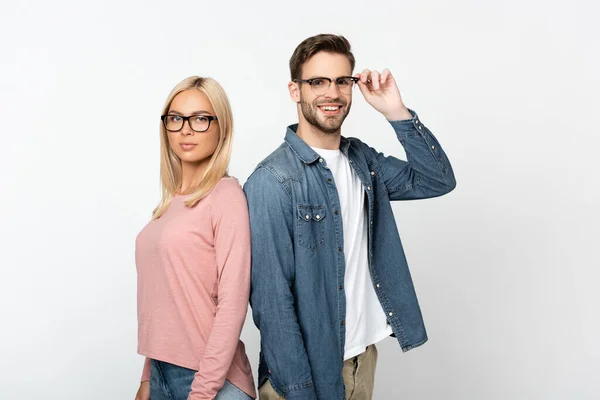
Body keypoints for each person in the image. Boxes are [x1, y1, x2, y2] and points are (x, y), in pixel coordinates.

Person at [243, 34, 456, 400]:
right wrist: (299, 391)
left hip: (360, 359)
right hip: (303, 375)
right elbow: (272, 303)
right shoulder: (271, 180)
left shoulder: (363, 161)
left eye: (343, 81)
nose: (333, 93)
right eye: (318, 82)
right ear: (295, 90)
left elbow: (436, 180)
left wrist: (395, 111)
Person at [134, 76, 256, 400]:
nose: (186, 129)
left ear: (222, 127)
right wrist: (147, 379)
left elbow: (232, 304)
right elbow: (168, 302)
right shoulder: (169, 204)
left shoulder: (226, 196)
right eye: (176, 118)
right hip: (161, 373)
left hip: (210, 382)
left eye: (201, 118)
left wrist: (202, 393)